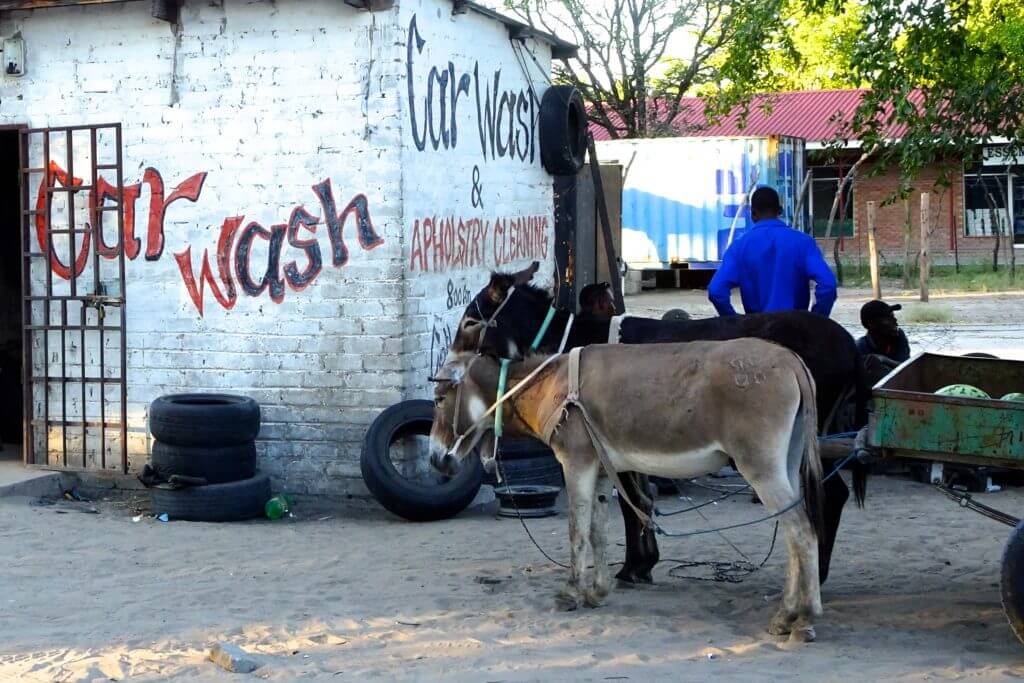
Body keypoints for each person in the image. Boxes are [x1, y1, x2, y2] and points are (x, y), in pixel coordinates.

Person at [708, 187, 837, 318]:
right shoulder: (803, 242)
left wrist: (735, 322)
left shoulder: (739, 247)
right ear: (779, 211)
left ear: (753, 213)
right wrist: (816, 319)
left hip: (757, 333)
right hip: (796, 331)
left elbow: (716, 291)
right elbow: (828, 285)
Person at [857, 299, 910, 370]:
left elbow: (907, 367)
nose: (895, 321)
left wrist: (884, 359)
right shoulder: (860, 349)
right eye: (888, 318)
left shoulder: (899, 336)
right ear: (872, 324)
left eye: (893, 316)